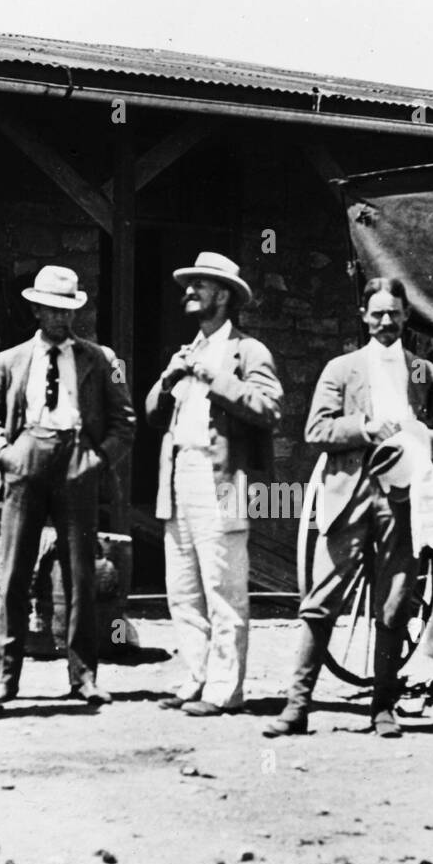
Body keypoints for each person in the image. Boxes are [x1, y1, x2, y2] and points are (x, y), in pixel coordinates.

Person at [264, 277, 433, 740]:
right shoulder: (342, 369)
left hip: (402, 499)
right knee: (322, 598)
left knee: (394, 602)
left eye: (394, 313)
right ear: (364, 316)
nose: (386, 321)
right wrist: (366, 427)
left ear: (407, 316)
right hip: (350, 492)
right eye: (377, 313)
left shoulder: (425, 374)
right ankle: (297, 706)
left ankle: (383, 709)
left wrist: (419, 434)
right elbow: (316, 430)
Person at [0, 265, 135, 705]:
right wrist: (6, 455)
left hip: (77, 462)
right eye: (51, 309)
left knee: (80, 572)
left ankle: (83, 677)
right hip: (25, 461)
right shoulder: (9, 360)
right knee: (13, 573)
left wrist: (97, 460)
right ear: (36, 309)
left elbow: (125, 420)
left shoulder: (102, 359)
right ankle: (6, 678)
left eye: (68, 310)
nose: (60, 318)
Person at [146, 252, 283, 716]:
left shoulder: (247, 351)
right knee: (182, 589)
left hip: (221, 479)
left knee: (224, 589)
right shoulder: (186, 351)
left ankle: (225, 689)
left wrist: (215, 377)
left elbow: (269, 409)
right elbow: (151, 415)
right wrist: (168, 381)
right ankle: (196, 677)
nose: (188, 292)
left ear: (221, 295)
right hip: (179, 476)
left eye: (198, 286)